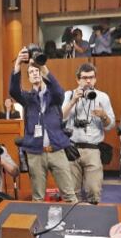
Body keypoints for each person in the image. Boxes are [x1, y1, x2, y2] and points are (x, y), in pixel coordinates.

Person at [9, 47, 77, 202]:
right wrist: (18, 63)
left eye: (37, 71)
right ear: (28, 78)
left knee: (69, 194)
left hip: (57, 150)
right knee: (38, 197)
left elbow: (58, 91)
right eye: (31, 72)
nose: (34, 73)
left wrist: (42, 65)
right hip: (35, 152)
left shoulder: (54, 96)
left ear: (42, 74)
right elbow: (14, 91)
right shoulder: (27, 98)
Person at [62, 63, 116, 204]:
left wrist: (103, 116)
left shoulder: (102, 97)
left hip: (93, 149)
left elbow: (110, 125)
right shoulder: (68, 95)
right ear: (77, 79)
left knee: (94, 190)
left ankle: (93, 216)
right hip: (72, 148)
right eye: (84, 78)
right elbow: (60, 118)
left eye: (91, 77)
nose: (88, 81)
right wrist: (73, 101)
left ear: (95, 79)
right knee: (72, 193)